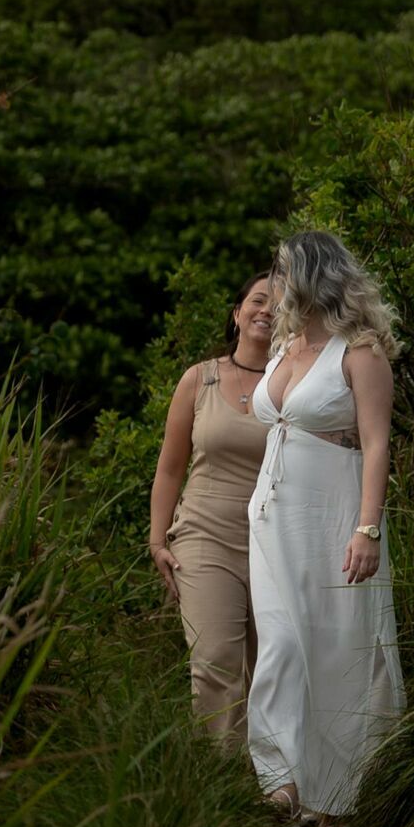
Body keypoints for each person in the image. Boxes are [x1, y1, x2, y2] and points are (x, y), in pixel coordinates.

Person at [246, 231, 405, 827]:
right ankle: (281, 780)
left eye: (282, 274)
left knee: (338, 648)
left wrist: (367, 528)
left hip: (334, 515)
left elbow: (376, 443)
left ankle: (341, 795)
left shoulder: (359, 352)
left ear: (313, 278)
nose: (275, 286)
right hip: (270, 517)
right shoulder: (285, 347)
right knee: (282, 643)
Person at [149, 272, 276, 742]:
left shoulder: (294, 386)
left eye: (280, 305)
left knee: (270, 668)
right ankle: (223, 791)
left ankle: (274, 784)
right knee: (216, 662)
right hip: (203, 538)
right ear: (237, 313)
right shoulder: (199, 379)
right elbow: (169, 468)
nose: (267, 310)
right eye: (258, 300)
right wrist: (156, 540)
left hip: (273, 544)